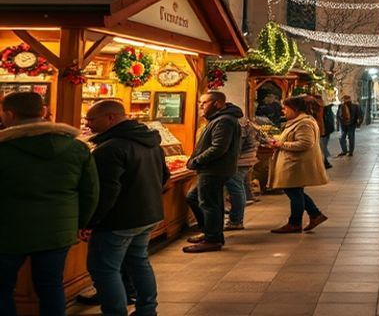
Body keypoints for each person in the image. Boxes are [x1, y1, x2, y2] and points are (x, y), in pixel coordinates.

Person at [0, 91, 99, 315]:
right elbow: (91, 192)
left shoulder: (3, 150)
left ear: (9, 114)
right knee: (51, 285)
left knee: (3, 287)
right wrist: (82, 223)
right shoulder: (77, 148)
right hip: (57, 230)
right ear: (43, 112)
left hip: (7, 230)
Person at [82, 100, 170, 316]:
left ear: (110, 117)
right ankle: (147, 310)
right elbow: (164, 177)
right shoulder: (150, 141)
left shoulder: (109, 149)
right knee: (139, 263)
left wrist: (91, 221)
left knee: (105, 270)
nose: (87, 124)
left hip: (118, 220)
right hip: (147, 215)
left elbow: (106, 193)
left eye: (91, 119)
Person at [183, 92, 242, 253]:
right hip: (213, 169)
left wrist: (195, 161)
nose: (200, 106)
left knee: (209, 203)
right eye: (200, 102)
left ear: (217, 103)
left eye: (204, 102)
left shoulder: (224, 121)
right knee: (197, 198)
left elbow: (218, 148)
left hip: (214, 169)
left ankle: (212, 239)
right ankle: (210, 232)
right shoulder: (219, 119)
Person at [268, 96, 329, 233]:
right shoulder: (299, 121)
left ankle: (295, 223)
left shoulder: (304, 123)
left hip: (296, 164)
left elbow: (305, 143)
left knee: (294, 192)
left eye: (286, 108)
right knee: (296, 192)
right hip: (294, 163)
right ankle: (315, 215)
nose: (284, 111)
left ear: (295, 109)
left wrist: (281, 144)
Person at [224, 110, 259, 231]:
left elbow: (237, 146)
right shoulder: (239, 120)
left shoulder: (239, 123)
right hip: (243, 159)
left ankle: (236, 220)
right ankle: (236, 218)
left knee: (235, 187)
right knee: (237, 186)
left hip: (241, 160)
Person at [321, 99, 336, 169]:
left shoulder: (321, 111)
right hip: (327, 131)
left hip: (324, 132)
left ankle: (325, 162)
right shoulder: (327, 110)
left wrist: (323, 131)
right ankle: (325, 162)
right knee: (323, 147)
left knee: (322, 147)